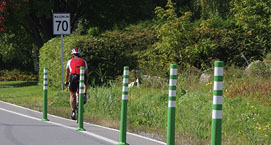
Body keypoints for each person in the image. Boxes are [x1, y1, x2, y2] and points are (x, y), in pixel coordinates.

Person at [65, 48, 88, 120]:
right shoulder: (84, 61)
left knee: (72, 94)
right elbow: (86, 72)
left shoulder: (69, 61)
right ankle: (84, 94)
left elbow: (67, 74)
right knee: (86, 82)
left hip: (73, 77)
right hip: (81, 76)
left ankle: (73, 111)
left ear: (72, 55)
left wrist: (66, 82)